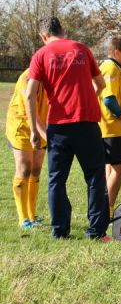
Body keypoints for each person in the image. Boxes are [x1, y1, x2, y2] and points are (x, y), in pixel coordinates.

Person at [26, 16, 109, 240]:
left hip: (58, 126)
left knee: (56, 179)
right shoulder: (82, 49)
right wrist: (90, 96)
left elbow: (29, 94)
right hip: (86, 122)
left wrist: (34, 130)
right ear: (63, 30)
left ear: (43, 36)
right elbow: (101, 84)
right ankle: (96, 232)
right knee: (94, 176)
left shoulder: (40, 55)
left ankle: (60, 231)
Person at [98, 36, 121, 217]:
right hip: (110, 128)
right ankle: (107, 210)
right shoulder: (110, 68)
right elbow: (109, 100)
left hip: (116, 128)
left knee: (112, 169)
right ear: (116, 52)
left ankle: (105, 209)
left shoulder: (118, 69)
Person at [6, 68, 48, 229]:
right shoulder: (27, 77)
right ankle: (23, 219)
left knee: (36, 169)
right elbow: (31, 111)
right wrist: (43, 134)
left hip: (41, 127)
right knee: (24, 169)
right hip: (22, 126)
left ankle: (32, 215)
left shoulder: (52, 76)